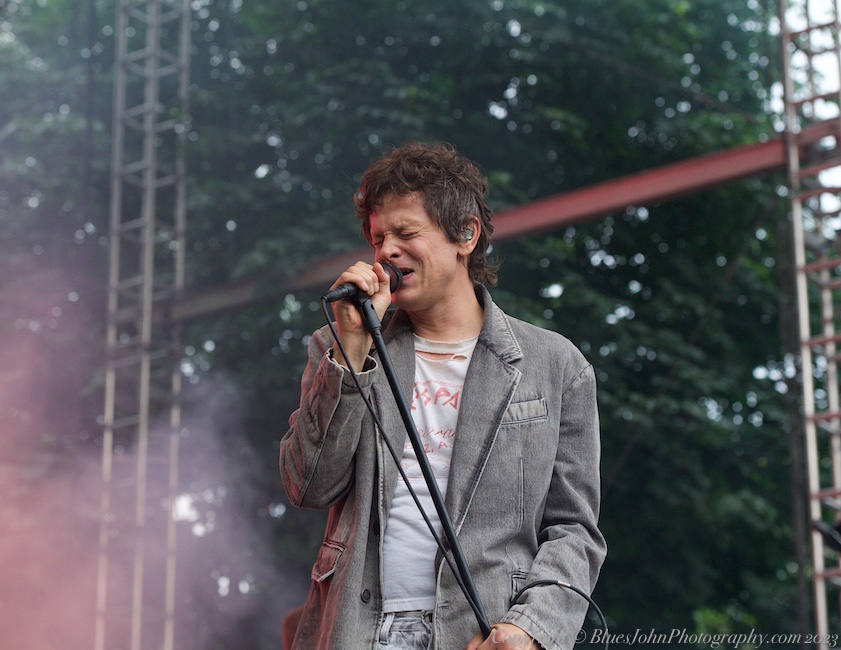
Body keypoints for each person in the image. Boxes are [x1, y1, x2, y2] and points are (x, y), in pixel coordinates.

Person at [279, 141, 605, 650]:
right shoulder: (339, 345)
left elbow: (574, 530)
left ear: (466, 235)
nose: (386, 250)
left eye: (406, 233)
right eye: (378, 236)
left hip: (485, 632)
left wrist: (534, 626)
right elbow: (309, 486)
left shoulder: (555, 365)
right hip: (357, 631)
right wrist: (350, 356)